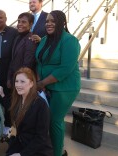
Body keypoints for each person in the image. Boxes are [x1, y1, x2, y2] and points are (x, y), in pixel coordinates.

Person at [35, 10, 81, 156]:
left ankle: (58, 153)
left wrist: (42, 83)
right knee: (44, 120)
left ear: (62, 23)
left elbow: (65, 69)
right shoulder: (44, 40)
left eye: (53, 21)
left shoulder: (70, 40)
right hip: (45, 86)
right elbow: (38, 63)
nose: (48, 24)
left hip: (64, 88)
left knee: (55, 120)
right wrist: (38, 81)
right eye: (47, 21)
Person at [6, 67, 53, 156]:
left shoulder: (41, 105)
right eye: (16, 81)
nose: (18, 85)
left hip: (37, 150)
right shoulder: (17, 100)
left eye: (22, 81)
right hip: (20, 144)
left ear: (31, 83)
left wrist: (22, 154)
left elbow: (41, 137)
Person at [7, 12, 37, 89]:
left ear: (30, 24)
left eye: (23, 22)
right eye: (19, 21)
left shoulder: (31, 39)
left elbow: (28, 64)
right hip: (14, 79)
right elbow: (13, 59)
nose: (19, 24)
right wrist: (9, 78)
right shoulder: (17, 38)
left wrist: (19, 81)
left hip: (23, 81)